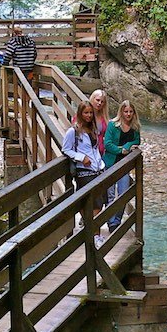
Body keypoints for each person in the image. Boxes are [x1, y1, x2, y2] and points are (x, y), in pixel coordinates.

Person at [63, 101, 106, 248]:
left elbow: (95, 149)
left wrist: (100, 162)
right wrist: (81, 158)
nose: (88, 115)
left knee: (98, 203)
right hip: (83, 171)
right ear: (80, 114)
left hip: (97, 169)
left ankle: (91, 231)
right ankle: (95, 235)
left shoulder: (93, 129)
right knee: (92, 203)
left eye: (90, 113)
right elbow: (66, 149)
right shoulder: (73, 131)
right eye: (85, 113)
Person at [103, 100, 141, 231]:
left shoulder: (135, 127)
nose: (128, 114)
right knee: (110, 195)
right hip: (110, 164)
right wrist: (121, 150)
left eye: (131, 111)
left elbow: (137, 140)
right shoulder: (113, 125)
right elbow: (107, 144)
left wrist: (126, 147)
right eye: (126, 111)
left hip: (124, 165)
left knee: (124, 193)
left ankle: (117, 221)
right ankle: (111, 223)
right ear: (121, 112)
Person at [89, 89, 109, 155]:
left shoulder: (104, 118)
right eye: (97, 100)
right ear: (92, 99)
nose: (99, 103)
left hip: (100, 153)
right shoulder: (84, 114)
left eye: (102, 102)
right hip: (87, 152)